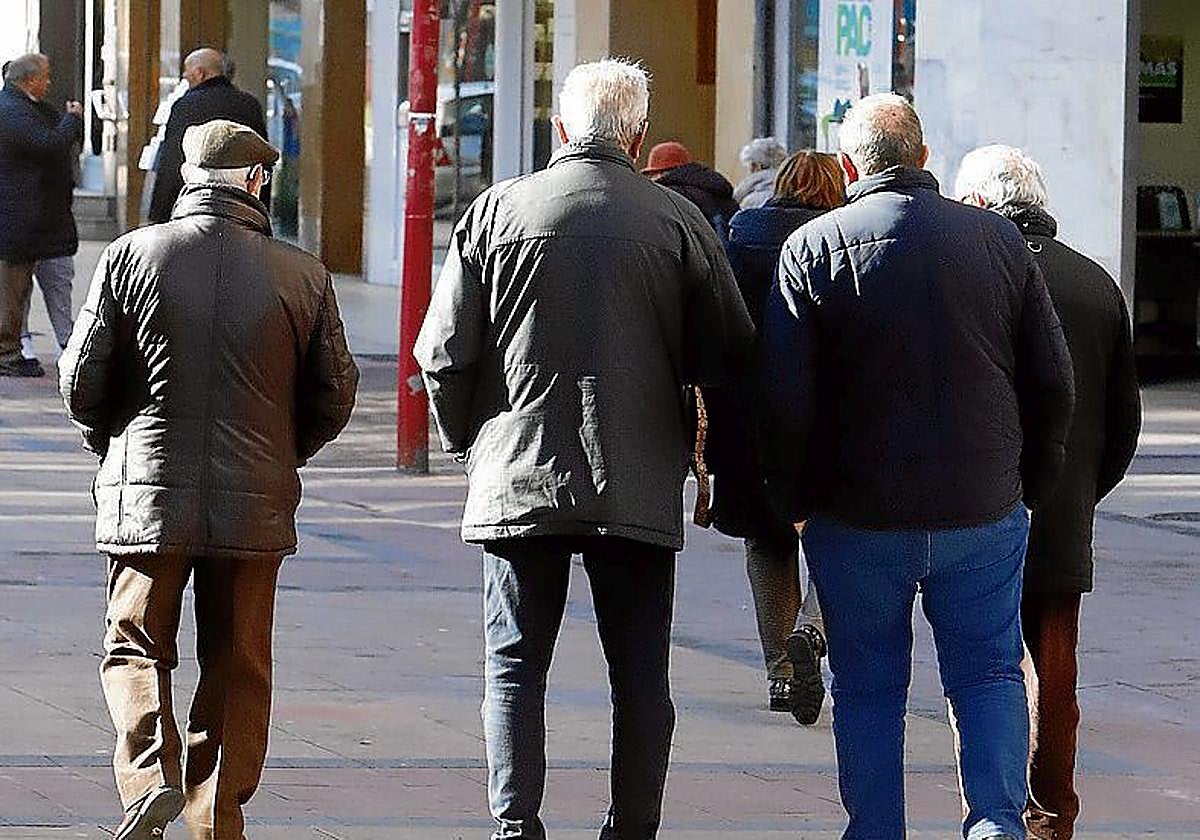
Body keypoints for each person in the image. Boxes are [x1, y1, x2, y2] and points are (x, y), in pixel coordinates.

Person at [414, 59, 753, 840]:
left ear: (560, 128)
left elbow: (443, 354)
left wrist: (472, 444)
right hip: (636, 473)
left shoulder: (496, 211)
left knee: (513, 667)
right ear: (637, 135)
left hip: (519, 473)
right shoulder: (678, 221)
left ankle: (515, 825)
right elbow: (729, 348)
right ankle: (631, 828)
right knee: (639, 674)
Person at [762, 94, 1075, 840]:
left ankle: (877, 830)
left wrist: (794, 502)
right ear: (925, 158)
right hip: (981, 504)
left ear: (849, 167)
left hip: (858, 513)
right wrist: (1031, 485)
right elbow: (1052, 379)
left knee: (868, 690)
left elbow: (785, 397)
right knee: (988, 676)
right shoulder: (999, 241)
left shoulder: (813, 247)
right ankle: (995, 824)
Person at [60, 119, 359, 840]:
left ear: (188, 178)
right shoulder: (302, 274)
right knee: (237, 661)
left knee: (134, 643)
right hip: (254, 497)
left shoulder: (131, 256)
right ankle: (214, 817)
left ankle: (149, 779)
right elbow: (335, 392)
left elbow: (81, 380)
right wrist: (282, 451)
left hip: (147, 491)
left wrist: (112, 442)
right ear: (257, 182)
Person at [956, 145, 1142, 840]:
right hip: (1063, 504)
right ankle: (1054, 811)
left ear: (979, 204)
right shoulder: (1095, 282)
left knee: (981, 664)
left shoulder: (972, 273)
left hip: (979, 497)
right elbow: (1124, 418)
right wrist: (1082, 488)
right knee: (1056, 664)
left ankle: (995, 808)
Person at [705, 151, 844, 724]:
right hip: (830, 417)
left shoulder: (741, 237)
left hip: (750, 418)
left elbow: (719, 327)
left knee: (766, 541)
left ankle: (780, 674)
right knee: (841, 537)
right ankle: (812, 628)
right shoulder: (842, 242)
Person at [0, 53, 82, 377]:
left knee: (31, 287)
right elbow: (47, 144)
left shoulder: (28, 108)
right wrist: (72, 120)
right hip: (20, 221)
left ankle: (18, 350)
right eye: (45, 76)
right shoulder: (11, 110)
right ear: (30, 80)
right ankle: (8, 354)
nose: (49, 82)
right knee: (13, 291)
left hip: (38, 221)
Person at [148, 47, 269, 223]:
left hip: (194, 209)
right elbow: (263, 159)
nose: (185, 77)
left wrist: (159, 215)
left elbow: (171, 163)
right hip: (242, 209)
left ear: (200, 73)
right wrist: (262, 214)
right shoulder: (249, 105)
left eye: (187, 72)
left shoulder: (186, 106)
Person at [643, 140, 741, 241]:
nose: (650, 179)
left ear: (661, 173)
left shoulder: (667, 196)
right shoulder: (718, 191)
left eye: (652, 174)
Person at [733, 137, 788, 209]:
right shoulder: (792, 192)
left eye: (749, 167)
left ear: (758, 166)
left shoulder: (750, 201)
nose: (748, 172)